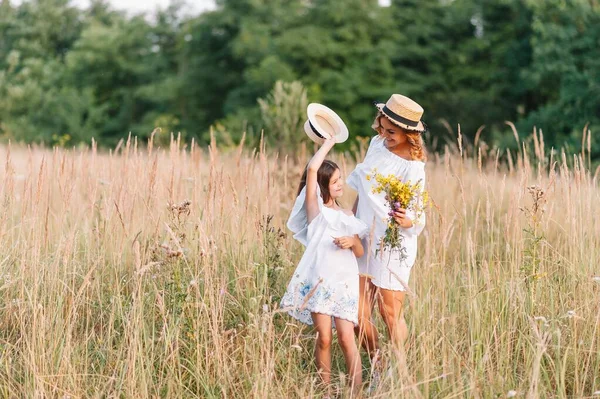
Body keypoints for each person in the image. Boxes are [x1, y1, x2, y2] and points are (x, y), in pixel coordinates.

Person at [347, 94, 427, 379]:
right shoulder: (376, 145)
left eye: (390, 131)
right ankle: (378, 366)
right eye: (380, 127)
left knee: (389, 314)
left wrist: (408, 220)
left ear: (409, 134)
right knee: (355, 313)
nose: (383, 134)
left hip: (393, 242)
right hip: (363, 235)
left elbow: (417, 211)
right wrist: (351, 224)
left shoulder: (413, 168)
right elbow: (362, 188)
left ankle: (400, 372)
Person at [281, 135, 368, 397]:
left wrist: (352, 241)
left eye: (341, 179)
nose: (341, 184)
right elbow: (311, 169)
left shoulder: (348, 216)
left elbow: (360, 250)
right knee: (325, 337)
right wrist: (329, 142)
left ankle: (357, 392)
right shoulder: (316, 211)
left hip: (345, 281)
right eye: (336, 181)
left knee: (346, 338)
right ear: (323, 186)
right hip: (321, 282)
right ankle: (326, 391)